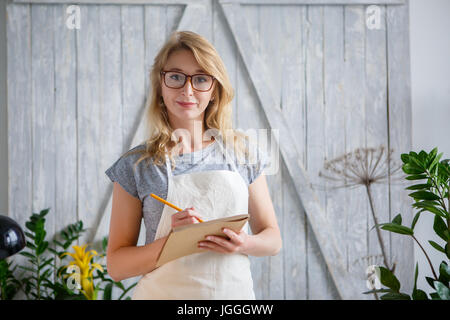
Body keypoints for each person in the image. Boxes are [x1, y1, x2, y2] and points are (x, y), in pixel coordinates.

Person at [105, 31, 281, 300]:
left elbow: (273, 239)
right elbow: (117, 267)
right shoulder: (136, 165)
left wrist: (245, 243)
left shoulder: (243, 154)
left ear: (214, 91)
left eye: (200, 79)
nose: (187, 90)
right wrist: (174, 243)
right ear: (160, 86)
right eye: (175, 77)